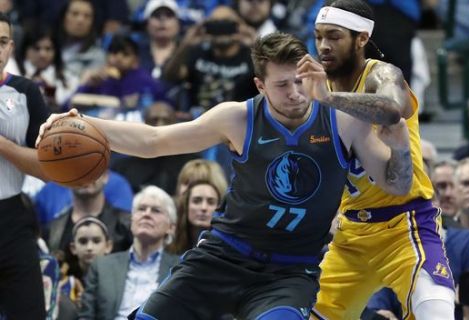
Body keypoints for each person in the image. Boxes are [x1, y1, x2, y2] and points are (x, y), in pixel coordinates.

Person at [38, 31, 413, 319]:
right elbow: (153, 140)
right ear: (260, 86)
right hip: (223, 256)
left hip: (289, 271)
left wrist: (399, 146)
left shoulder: (343, 118)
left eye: (300, 81)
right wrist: (82, 123)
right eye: (282, 85)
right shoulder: (238, 117)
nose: (296, 93)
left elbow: (397, 184)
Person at [310, 1, 455, 319]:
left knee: (437, 310)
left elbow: (391, 108)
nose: (323, 45)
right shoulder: (319, 88)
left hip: (405, 223)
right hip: (352, 233)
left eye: (334, 36)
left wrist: (329, 99)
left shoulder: (382, 73)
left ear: (361, 38)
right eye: (319, 36)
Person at [0, 12, 49, 319]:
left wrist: (3, 145)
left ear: (11, 48)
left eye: (1, 42)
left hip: (11, 218)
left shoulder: (26, 91)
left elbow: (46, 167)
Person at [79, 186, 179, 320]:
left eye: (156, 210)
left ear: (171, 227)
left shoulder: (180, 269)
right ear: (132, 220)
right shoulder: (102, 266)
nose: (146, 214)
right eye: (141, 209)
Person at [168, 180, 223, 255]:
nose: (204, 208)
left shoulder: (226, 249)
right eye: (196, 201)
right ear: (186, 206)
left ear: (219, 208)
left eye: (211, 202)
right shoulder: (167, 247)